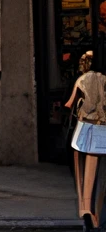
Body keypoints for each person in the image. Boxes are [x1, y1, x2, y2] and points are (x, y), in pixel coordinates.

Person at [68, 49, 106, 231]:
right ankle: (97, 215)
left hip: (85, 126)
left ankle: (84, 208)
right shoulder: (104, 79)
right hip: (102, 127)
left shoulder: (82, 80)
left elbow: (69, 103)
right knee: (99, 174)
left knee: (81, 168)